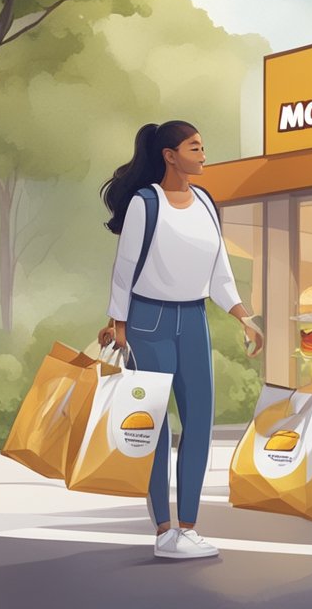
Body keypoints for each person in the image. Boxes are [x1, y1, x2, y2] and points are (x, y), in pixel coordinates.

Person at [99, 120, 265, 559]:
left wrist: (244, 317)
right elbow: (125, 265)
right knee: (152, 426)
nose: (204, 154)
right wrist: (118, 322)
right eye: (195, 147)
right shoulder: (145, 202)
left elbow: (219, 269)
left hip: (194, 318)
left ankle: (188, 527)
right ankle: (163, 531)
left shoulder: (206, 202)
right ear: (170, 155)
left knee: (200, 423)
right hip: (148, 319)